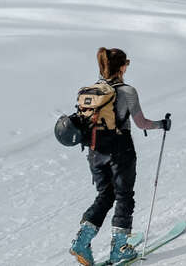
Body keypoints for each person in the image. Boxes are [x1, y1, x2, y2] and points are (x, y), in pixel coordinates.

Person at [71, 47, 170, 266]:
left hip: (95, 151)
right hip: (120, 150)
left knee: (105, 195)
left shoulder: (92, 91)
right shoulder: (127, 91)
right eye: (127, 63)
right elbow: (141, 123)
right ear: (122, 67)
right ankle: (119, 248)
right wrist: (162, 125)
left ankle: (82, 241)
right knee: (124, 196)